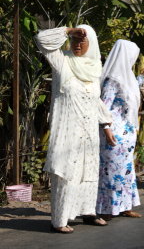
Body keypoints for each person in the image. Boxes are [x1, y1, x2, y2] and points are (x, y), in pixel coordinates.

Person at [35, 25, 113, 233]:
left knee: (88, 172)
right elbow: (41, 40)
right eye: (75, 41)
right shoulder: (62, 62)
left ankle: (87, 211)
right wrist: (69, 30)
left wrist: (106, 124)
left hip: (88, 132)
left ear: (92, 44)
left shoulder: (95, 67)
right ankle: (59, 220)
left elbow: (95, 100)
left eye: (82, 41)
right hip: (68, 129)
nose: (77, 45)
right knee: (66, 173)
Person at [96, 39, 144, 221]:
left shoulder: (126, 77)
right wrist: (106, 129)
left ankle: (124, 206)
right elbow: (103, 107)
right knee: (112, 173)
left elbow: (133, 87)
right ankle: (106, 208)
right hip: (113, 136)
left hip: (127, 135)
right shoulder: (112, 80)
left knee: (126, 172)